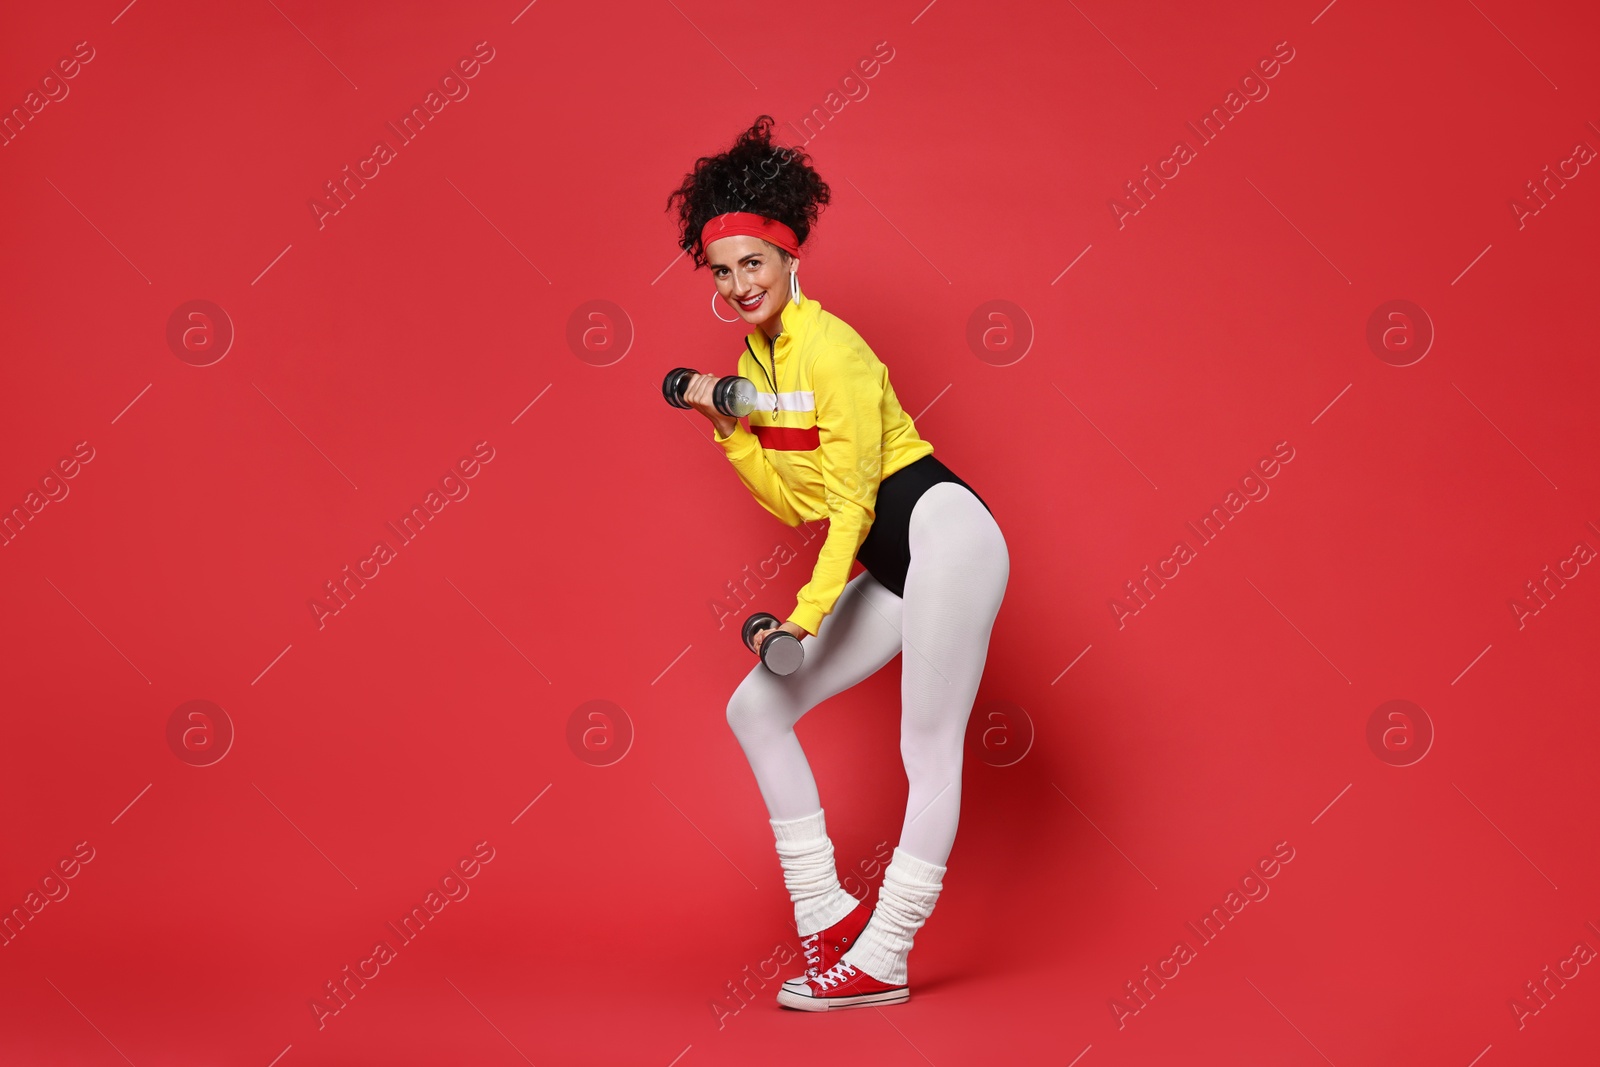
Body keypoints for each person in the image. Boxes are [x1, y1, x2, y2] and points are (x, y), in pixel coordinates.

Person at [664, 116, 1009, 1011]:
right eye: (724, 271)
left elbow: (854, 501)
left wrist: (807, 618)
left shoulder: (835, 347)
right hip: (893, 561)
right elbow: (800, 504)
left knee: (924, 746)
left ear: (788, 259)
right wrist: (729, 433)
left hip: (946, 532)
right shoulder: (755, 362)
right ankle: (826, 912)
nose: (742, 284)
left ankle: (883, 953)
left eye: (755, 264)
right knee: (757, 707)